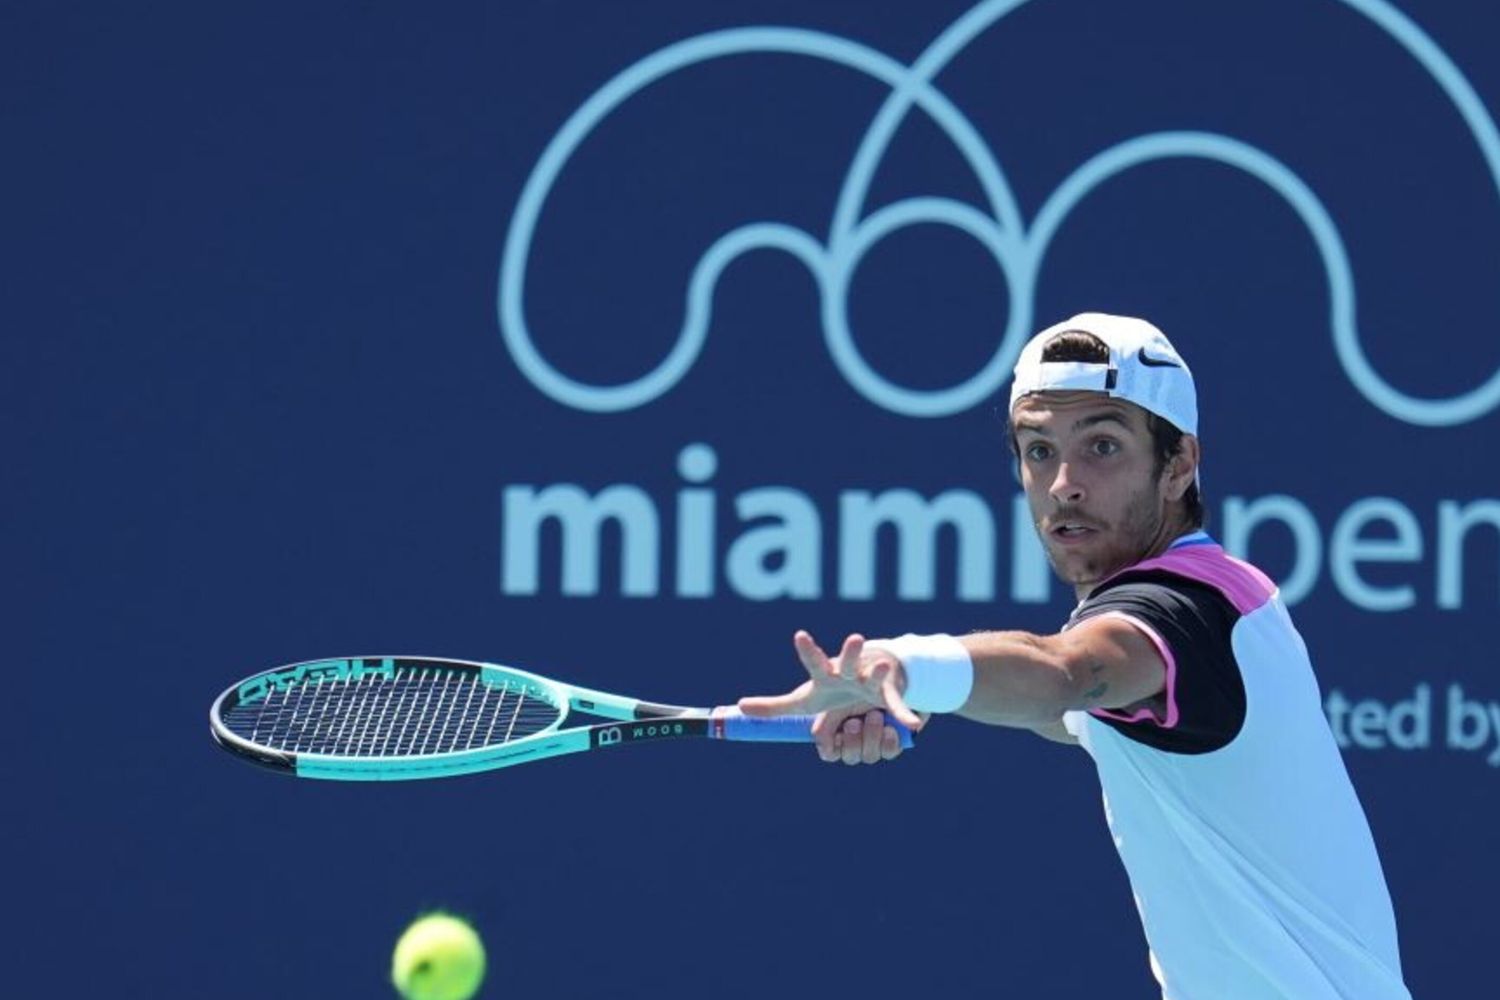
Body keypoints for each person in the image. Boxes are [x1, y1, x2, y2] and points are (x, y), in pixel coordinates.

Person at [738, 313, 1412, 1000]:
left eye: (1102, 446)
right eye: (1039, 450)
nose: (1063, 483)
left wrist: (905, 665)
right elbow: (1067, 710)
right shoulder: (1226, 602)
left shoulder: (1185, 610)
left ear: (1179, 465)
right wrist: (927, 694)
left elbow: (1062, 673)